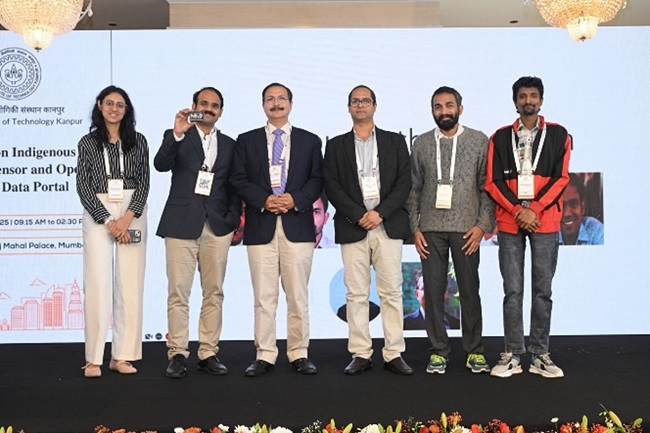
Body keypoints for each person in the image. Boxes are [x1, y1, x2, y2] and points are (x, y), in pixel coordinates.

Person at [231, 82, 323, 377]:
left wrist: (295, 199)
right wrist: (264, 200)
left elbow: (317, 180)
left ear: (291, 104)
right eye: (270, 98)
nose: (276, 103)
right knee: (264, 297)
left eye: (282, 98)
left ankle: (299, 353)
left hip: (298, 226)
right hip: (261, 226)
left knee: (298, 296)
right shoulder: (246, 141)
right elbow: (238, 179)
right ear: (263, 105)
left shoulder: (310, 141)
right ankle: (265, 354)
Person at [485, 76, 571, 379]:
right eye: (522, 96)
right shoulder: (499, 137)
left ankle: (539, 354)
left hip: (544, 219)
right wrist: (517, 210)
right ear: (515, 102)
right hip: (511, 221)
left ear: (541, 100)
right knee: (512, 290)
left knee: (542, 290)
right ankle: (511, 353)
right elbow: (492, 182)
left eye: (533, 95)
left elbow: (562, 178)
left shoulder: (559, 134)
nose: (528, 101)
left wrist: (534, 209)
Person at [324, 85, 413, 376]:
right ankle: (361, 353)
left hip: (387, 224)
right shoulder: (336, 146)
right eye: (355, 101)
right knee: (356, 293)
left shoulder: (394, 141)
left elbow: (404, 182)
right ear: (348, 107)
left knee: (391, 291)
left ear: (375, 106)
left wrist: (380, 213)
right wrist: (359, 215)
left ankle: (394, 352)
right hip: (354, 226)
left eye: (365, 101)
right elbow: (332, 186)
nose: (360, 105)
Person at [154, 87, 240, 379]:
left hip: (217, 225)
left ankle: (208, 352)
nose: (209, 108)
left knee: (214, 292)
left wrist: (231, 219)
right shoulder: (178, 135)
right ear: (194, 106)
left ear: (221, 112)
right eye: (204, 103)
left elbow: (233, 186)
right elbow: (160, 165)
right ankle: (177, 352)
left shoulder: (230, 144)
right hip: (180, 222)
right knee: (178, 292)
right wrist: (177, 134)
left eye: (215, 105)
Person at [407, 86, 493, 374]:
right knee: (433, 292)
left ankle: (474, 351)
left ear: (460, 109)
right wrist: (415, 227)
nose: (443, 111)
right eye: (438, 106)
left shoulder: (479, 141)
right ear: (432, 111)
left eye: (449, 105)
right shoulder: (421, 143)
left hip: (467, 230)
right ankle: (438, 352)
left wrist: (482, 226)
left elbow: (486, 188)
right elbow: (414, 189)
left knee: (469, 290)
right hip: (430, 230)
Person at [76, 85, 150, 378]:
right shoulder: (87, 142)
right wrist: (109, 221)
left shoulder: (138, 141)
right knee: (97, 282)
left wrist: (127, 218)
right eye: (109, 103)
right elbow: (83, 186)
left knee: (131, 283)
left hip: (132, 210)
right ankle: (93, 359)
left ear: (126, 110)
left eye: (120, 105)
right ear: (99, 105)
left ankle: (122, 356)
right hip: (99, 209)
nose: (114, 109)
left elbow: (144, 181)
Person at [559, 173, 604, 245]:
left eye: (574, 204)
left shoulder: (595, 230)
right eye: (560, 206)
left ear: (583, 207)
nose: (567, 213)